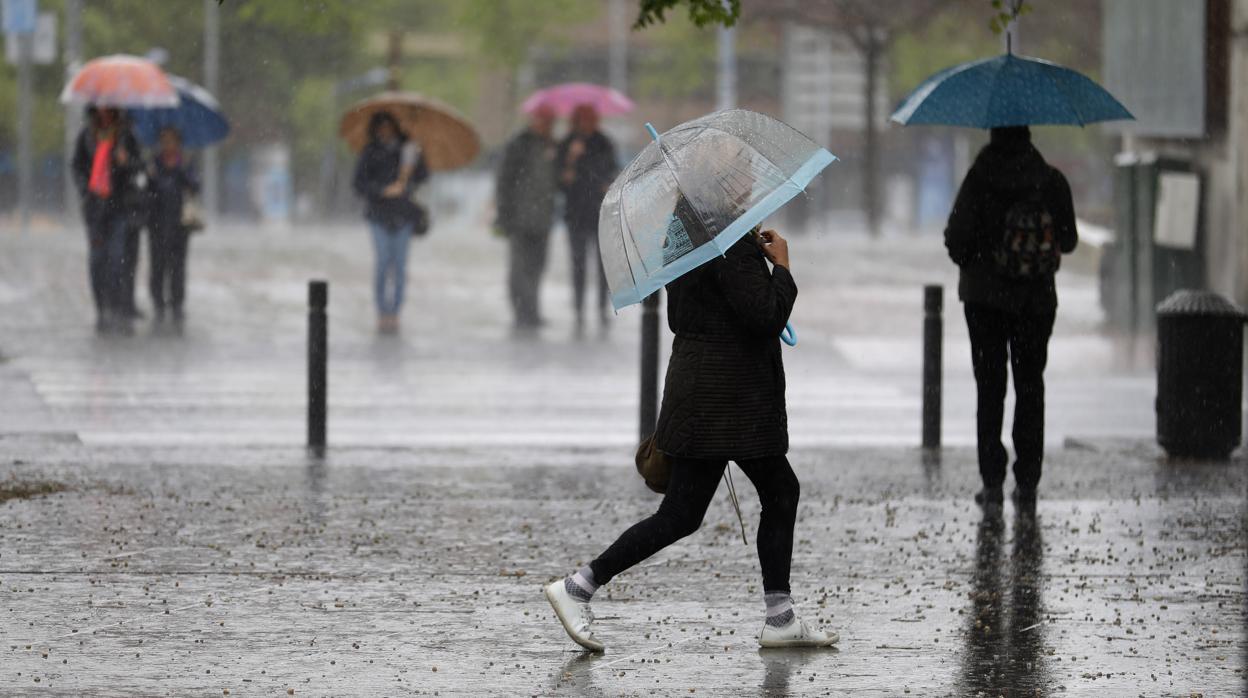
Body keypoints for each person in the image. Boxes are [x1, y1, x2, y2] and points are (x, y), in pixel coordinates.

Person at [544, 223, 839, 651]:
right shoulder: (729, 244)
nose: (749, 184)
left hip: (704, 389)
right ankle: (579, 587)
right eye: (742, 175)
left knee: (702, 509)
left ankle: (779, 616)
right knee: (764, 494)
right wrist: (782, 268)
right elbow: (767, 315)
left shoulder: (685, 232)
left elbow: (685, 313)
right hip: (728, 399)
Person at [943, 126, 1078, 509]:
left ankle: (992, 483)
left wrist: (980, 263)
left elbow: (956, 239)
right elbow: (1068, 241)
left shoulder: (978, 178)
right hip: (1035, 302)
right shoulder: (1051, 181)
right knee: (1030, 388)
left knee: (990, 390)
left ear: (993, 133)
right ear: (1029, 133)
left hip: (984, 302)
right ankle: (1028, 482)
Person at [352, 111, 429, 334]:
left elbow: (422, 177)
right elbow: (359, 184)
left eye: (388, 126)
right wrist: (382, 190)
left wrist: (417, 155)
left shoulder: (409, 150)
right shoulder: (370, 152)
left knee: (400, 266)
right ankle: (382, 310)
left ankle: (395, 311)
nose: (385, 130)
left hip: (404, 216)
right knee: (383, 263)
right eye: (381, 126)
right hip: (378, 216)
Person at [72, 106, 145, 335]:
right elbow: (77, 166)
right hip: (95, 210)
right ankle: (101, 309)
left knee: (117, 260)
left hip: (119, 209)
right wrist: (86, 189)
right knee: (97, 261)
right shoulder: (86, 135)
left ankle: (116, 307)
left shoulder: (126, 135)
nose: (104, 111)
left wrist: (125, 162)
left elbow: (139, 166)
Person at [496, 105, 558, 332]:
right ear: (535, 119)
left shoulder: (552, 146)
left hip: (543, 218)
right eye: (545, 120)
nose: (549, 125)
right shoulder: (519, 144)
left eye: (551, 121)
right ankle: (521, 312)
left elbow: (558, 180)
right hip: (519, 217)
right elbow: (504, 180)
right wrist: (504, 215)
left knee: (538, 266)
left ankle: (532, 310)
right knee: (520, 268)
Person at [556, 104, 617, 334]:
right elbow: (561, 181)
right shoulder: (567, 143)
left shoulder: (604, 142)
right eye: (582, 118)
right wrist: (571, 159)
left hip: (600, 212)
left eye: (591, 118)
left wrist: (606, 182)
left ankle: (602, 307)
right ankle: (579, 309)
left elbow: (613, 171)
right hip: (576, 213)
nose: (587, 122)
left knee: (603, 266)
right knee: (578, 264)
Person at [146, 127, 199, 330]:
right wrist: (151, 178)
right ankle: (158, 303)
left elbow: (195, 186)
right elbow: (147, 190)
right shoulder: (153, 163)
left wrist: (184, 175)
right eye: (164, 141)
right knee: (158, 266)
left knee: (178, 266)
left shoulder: (185, 163)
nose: (168, 145)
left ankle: (177, 303)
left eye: (172, 141)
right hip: (156, 222)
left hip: (179, 224)